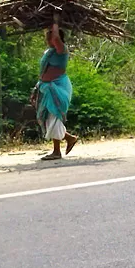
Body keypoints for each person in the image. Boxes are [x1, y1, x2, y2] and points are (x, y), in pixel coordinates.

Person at [31, 15, 77, 160]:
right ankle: (69, 138)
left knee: (54, 116)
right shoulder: (49, 52)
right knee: (48, 117)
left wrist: (56, 21)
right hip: (47, 87)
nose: (47, 39)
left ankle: (57, 151)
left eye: (49, 36)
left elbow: (56, 38)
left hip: (58, 88)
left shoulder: (61, 50)